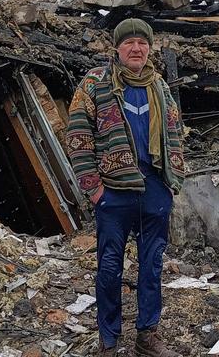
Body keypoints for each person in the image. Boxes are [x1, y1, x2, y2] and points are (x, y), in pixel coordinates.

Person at [65, 18, 186, 356]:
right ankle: (109, 340)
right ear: (116, 48)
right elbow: (77, 137)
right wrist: (94, 189)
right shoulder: (94, 83)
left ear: (150, 48)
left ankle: (147, 336)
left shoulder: (159, 86)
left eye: (142, 43)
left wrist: (172, 181)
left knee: (152, 266)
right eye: (129, 42)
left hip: (154, 190)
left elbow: (175, 134)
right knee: (108, 267)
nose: (136, 48)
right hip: (114, 192)